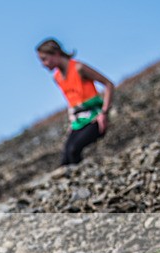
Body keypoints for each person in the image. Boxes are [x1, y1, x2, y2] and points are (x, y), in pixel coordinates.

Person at [37, 38, 115, 166]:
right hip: (78, 122)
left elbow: (108, 84)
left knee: (74, 150)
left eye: (44, 59)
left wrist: (104, 113)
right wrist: (72, 122)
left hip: (95, 117)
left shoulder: (79, 68)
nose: (43, 64)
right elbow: (72, 101)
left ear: (56, 54)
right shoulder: (57, 78)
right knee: (65, 160)